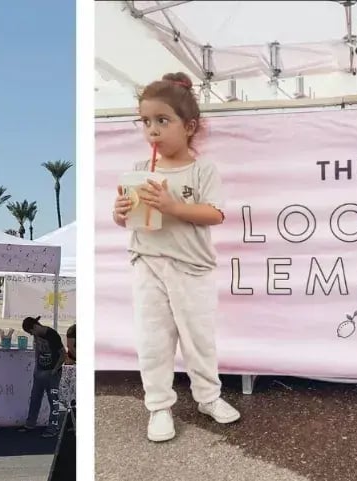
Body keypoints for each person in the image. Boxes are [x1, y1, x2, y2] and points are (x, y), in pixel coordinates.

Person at [112, 72, 241, 443]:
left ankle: (208, 397)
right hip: (147, 263)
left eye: (162, 120)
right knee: (153, 340)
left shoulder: (203, 170)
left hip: (193, 269)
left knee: (199, 339)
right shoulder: (139, 170)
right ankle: (158, 406)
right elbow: (125, 221)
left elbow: (215, 213)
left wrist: (173, 205)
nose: (152, 130)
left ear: (190, 126)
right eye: (146, 122)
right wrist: (120, 211)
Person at [18, 316, 66, 438]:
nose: (32, 335)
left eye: (31, 332)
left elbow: (63, 354)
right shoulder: (37, 335)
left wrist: (55, 370)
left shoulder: (52, 335)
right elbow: (37, 351)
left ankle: (53, 428)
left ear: (34, 327)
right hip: (40, 370)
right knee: (35, 399)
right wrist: (36, 366)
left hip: (52, 372)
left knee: (53, 401)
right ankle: (30, 424)